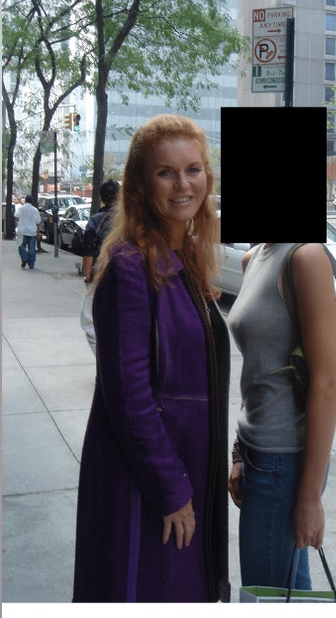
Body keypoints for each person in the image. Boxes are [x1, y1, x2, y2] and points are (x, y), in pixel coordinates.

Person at [72, 114, 231, 603]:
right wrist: (170, 487)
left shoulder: (181, 258)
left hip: (186, 469)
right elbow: (129, 394)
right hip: (147, 483)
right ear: (141, 185)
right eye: (166, 172)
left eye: (194, 169)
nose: (184, 183)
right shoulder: (130, 265)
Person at [226, 242, 336, 591]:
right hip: (256, 452)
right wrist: (238, 453)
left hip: (284, 462)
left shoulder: (305, 257)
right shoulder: (253, 257)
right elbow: (258, 369)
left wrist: (309, 499)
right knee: (285, 587)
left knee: (270, 592)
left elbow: (328, 383)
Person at [79, 179, 120, 354]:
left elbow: (88, 249)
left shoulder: (96, 220)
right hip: (126, 277)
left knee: (89, 322)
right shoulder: (129, 220)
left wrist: (88, 277)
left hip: (100, 277)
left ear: (102, 199)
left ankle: (103, 362)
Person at [15, 194, 40, 269]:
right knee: (32, 248)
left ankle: (24, 257)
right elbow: (38, 222)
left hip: (22, 231)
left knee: (21, 246)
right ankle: (31, 263)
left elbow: (16, 216)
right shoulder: (35, 210)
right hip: (32, 231)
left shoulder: (21, 208)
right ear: (32, 201)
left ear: (25, 200)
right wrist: (38, 232)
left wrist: (21, 221)